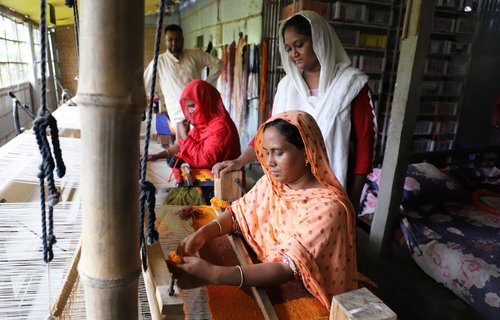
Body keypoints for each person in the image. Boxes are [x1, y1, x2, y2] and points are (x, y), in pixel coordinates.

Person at [171, 110, 357, 311]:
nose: (270, 162)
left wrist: (215, 274)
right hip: (269, 267)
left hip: (304, 286)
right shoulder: (273, 183)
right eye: (266, 152)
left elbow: (287, 268)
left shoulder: (328, 208)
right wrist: (205, 232)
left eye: (278, 152)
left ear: (306, 152)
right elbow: (238, 213)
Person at [212, 11, 375, 212]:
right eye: (289, 48)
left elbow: (363, 149)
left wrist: (350, 203)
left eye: (299, 45)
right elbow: (267, 134)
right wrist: (239, 161)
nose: (293, 54)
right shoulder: (287, 87)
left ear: (319, 41)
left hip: (328, 195)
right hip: (286, 190)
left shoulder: (351, 85)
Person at [148, 79, 241, 169]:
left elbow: (203, 160)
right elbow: (183, 146)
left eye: (192, 106)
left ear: (205, 102)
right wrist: (157, 156)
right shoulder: (203, 123)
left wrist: (184, 135)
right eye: (188, 107)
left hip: (223, 181)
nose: (190, 111)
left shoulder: (221, 128)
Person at [144, 24, 223, 126]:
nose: (174, 43)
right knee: (181, 141)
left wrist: (206, 86)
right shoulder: (159, 62)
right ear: (165, 40)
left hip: (197, 112)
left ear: (183, 39)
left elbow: (218, 64)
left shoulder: (194, 55)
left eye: (177, 39)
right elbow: (144, 85)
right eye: (170, 40)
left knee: (200, 140)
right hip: (176, 116)